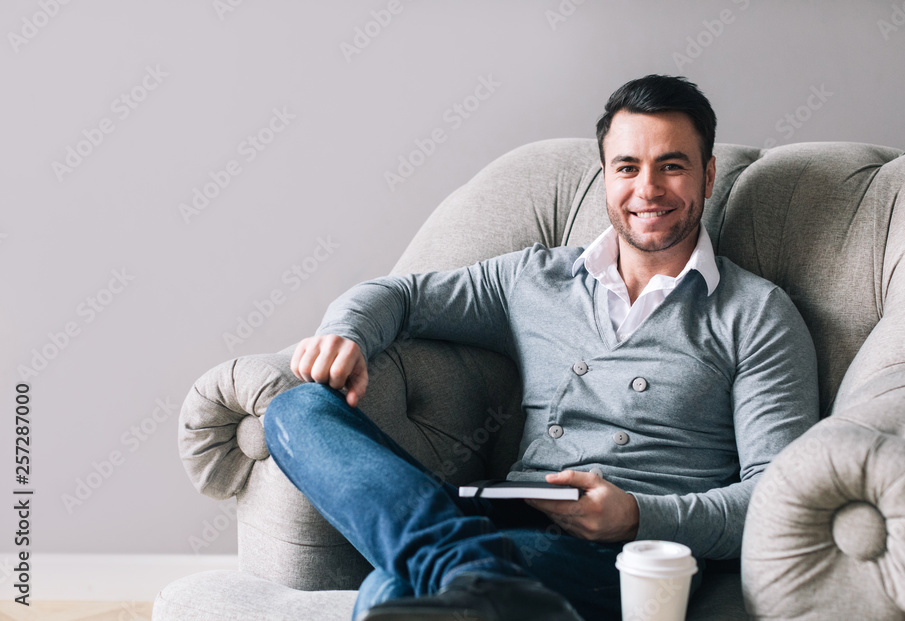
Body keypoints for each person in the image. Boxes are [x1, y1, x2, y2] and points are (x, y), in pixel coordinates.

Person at [263, 74, 820, 621]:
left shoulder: (757, 314)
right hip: (500, 517)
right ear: (605, 177)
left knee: (394, 587)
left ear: (708, 176)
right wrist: (348, 332)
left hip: (623, 556)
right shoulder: (535, 279)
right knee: (297, 407)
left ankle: (463, 574)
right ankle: (470, 573)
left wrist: (638, 516)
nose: (647, 189)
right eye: (627, 167)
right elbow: (401, 296)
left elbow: (778, 496)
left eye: (671, 166)